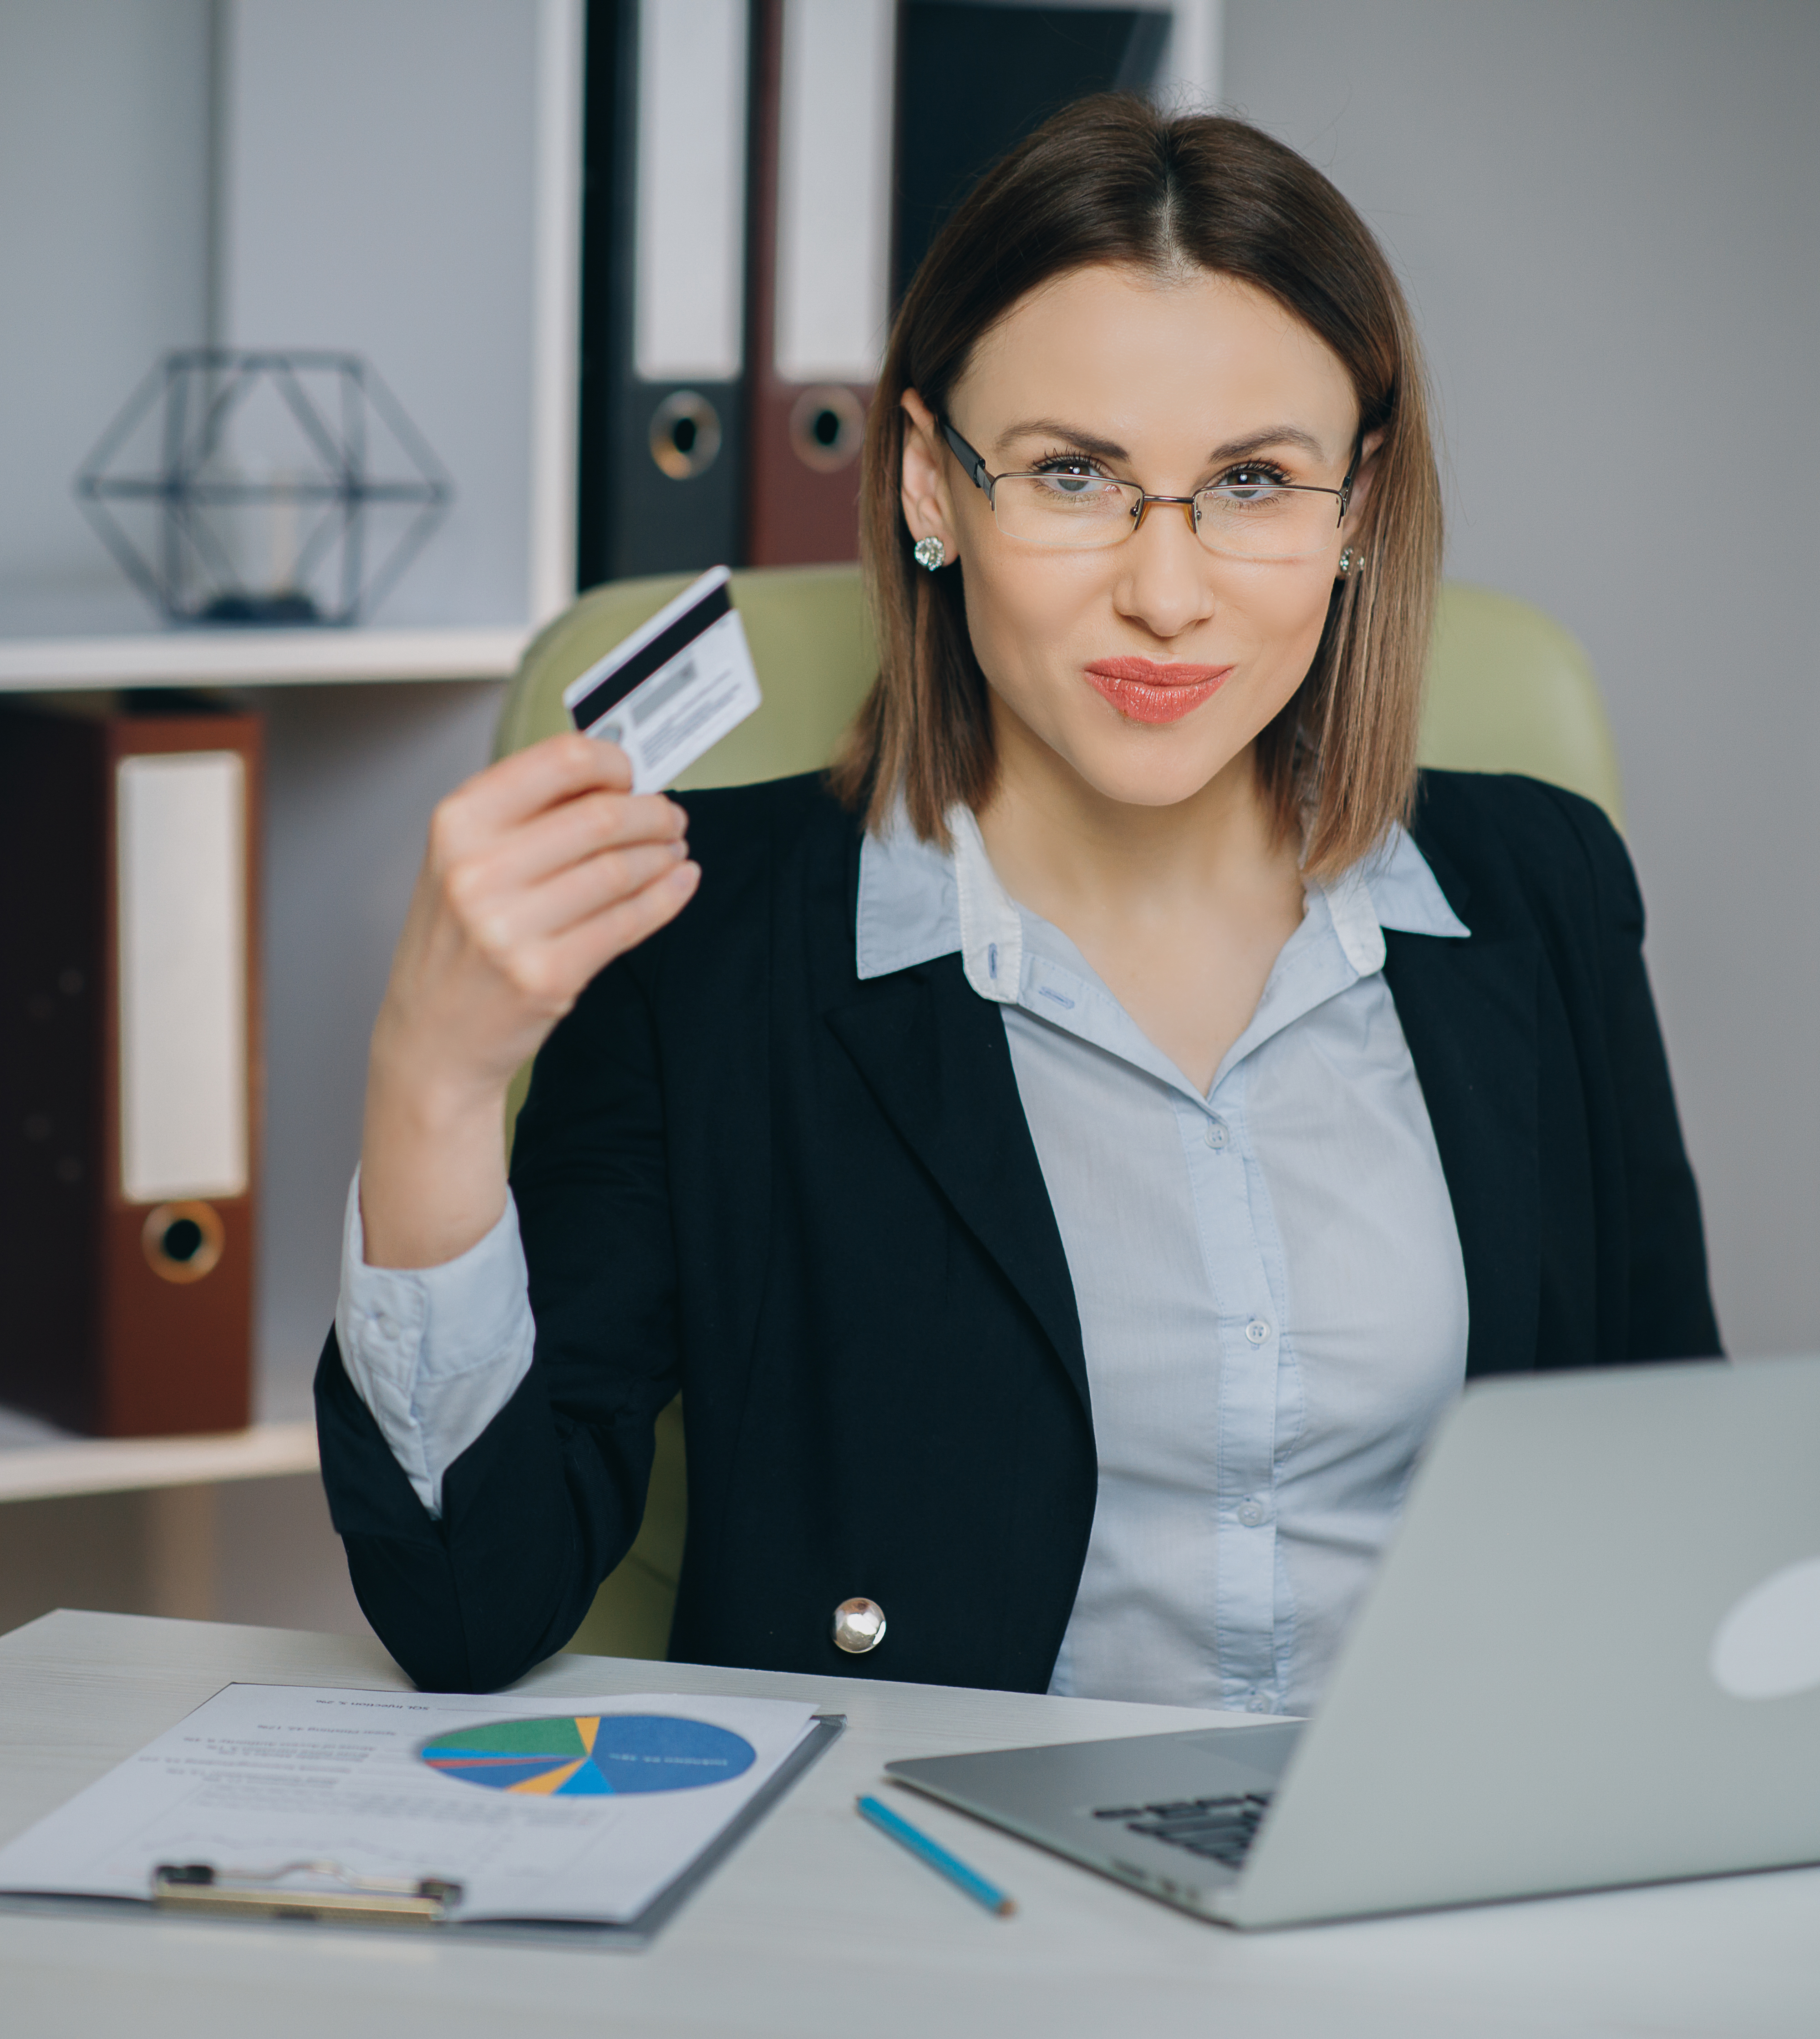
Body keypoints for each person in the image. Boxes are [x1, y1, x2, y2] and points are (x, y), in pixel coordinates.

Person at [316, 97, 1718, 1708]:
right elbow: (466, 1609)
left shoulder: (1544, 890)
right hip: (927, 1891)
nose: (1169, 594)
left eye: (1256, 482)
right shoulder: (705, 944)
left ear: (1359, 508)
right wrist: (431, 1077)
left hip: (1434, 1886)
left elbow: (1665, 1495)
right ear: (931, 483)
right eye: (1072, 476)